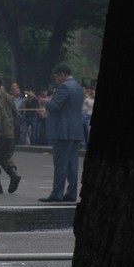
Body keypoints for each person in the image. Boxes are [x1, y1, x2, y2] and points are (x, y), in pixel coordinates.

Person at [40, 64, 83, 202]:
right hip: (75, 131)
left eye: (56, 77)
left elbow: (55, 106)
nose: (56, 80)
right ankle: (71, 193)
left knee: (60, 164)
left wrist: (45, 102)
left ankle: (57, 193)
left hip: (63, 131)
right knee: (72, 165)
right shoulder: (78, 87)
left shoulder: (64, 87)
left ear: (62, 75)